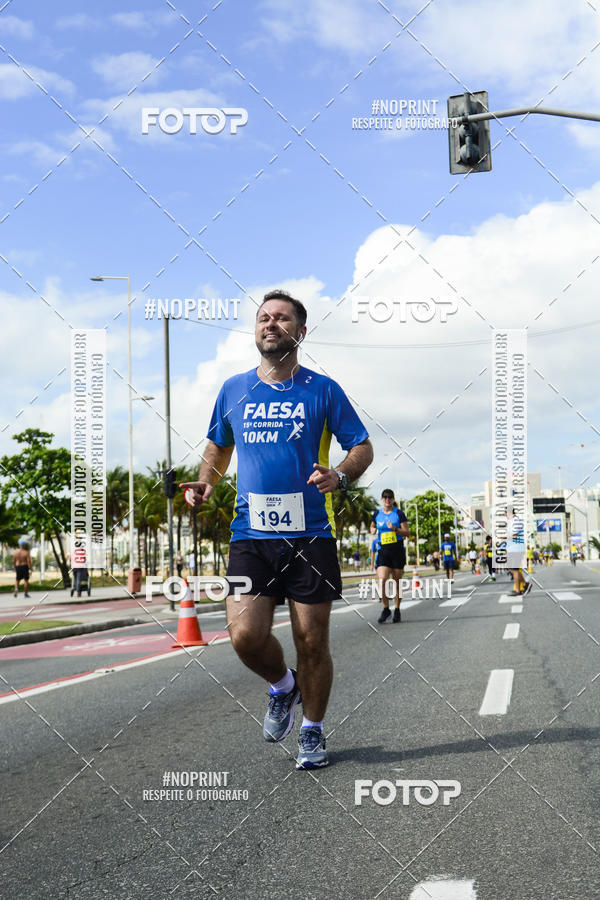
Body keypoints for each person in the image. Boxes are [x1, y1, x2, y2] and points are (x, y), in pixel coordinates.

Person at [181, 289, 373, 770]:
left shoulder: (323, 389)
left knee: (313, 640)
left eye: (281, 318)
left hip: (310, 535)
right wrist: (205, 483)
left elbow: (362, 446)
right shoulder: (234, 389)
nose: (270, 323)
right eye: (263, 318)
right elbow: (217, 450)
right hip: (251, 535)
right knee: (244, 635)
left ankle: (312, 729)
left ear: (299, 332)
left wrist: (341, 476)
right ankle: (283, 686)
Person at [370, 490, 409, 623]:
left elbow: (407, 532)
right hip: (383, 551)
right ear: (382, 499)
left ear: (393, 499)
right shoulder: (377, 514)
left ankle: (397, 609)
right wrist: (372, 530)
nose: (387, 499)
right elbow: (372, 526)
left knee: (397, 582)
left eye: (390, 497)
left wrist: (395, 529)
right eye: (385, 497)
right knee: (382, 580)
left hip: (397, 550)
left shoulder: (398, 513)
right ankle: (386, 608)